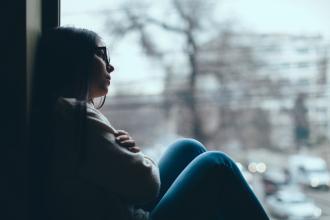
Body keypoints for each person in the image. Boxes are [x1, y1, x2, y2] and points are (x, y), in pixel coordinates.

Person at [30, 26, 269, 220]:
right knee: (218, 164)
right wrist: (137, 157)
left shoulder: (59, 112)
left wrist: (127, 158)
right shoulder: (77, 117)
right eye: (102, 55)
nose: (110, 66)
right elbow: (146, 187)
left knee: (187, 148)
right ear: (76, 60)